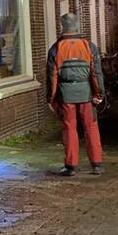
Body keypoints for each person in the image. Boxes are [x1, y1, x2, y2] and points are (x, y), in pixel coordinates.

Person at [47, 13, 105, 176]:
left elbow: (52, 76)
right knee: (91, 127)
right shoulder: (89, 46)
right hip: (86, 94)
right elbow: (96, 73)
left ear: (62, 26)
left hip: (66, 96)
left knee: (69, 128)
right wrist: (99, 94)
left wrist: (50, 99)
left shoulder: (56, 48)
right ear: (78, 26)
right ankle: (97, 164)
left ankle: (71, 166)